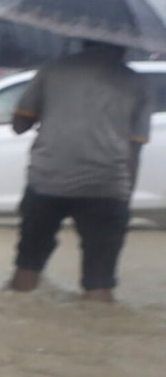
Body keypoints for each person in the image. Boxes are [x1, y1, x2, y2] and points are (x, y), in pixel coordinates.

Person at [8, 41, 150, 302]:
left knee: (27, 266)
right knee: (100, 282)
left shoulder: (52, 70)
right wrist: (124, 198)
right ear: (125, 45)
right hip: (107, 187)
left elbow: (19, 124)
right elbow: (135, 147)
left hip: (47, 181)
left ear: (82, 40)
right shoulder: (135, 81)